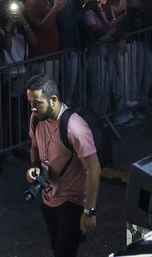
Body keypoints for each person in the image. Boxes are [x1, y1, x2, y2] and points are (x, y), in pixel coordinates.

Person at [25, 73, 100, 257]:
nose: (33, 108)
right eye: (30, 103)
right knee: (57, 247)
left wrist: (89, 211)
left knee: (63, 252)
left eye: (37, 103)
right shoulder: (37, 119)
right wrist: (34, 166)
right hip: (49, 197)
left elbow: (94, 169)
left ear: (53, 100)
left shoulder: (75, 128)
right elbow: (34, 146)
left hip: (72, 200)